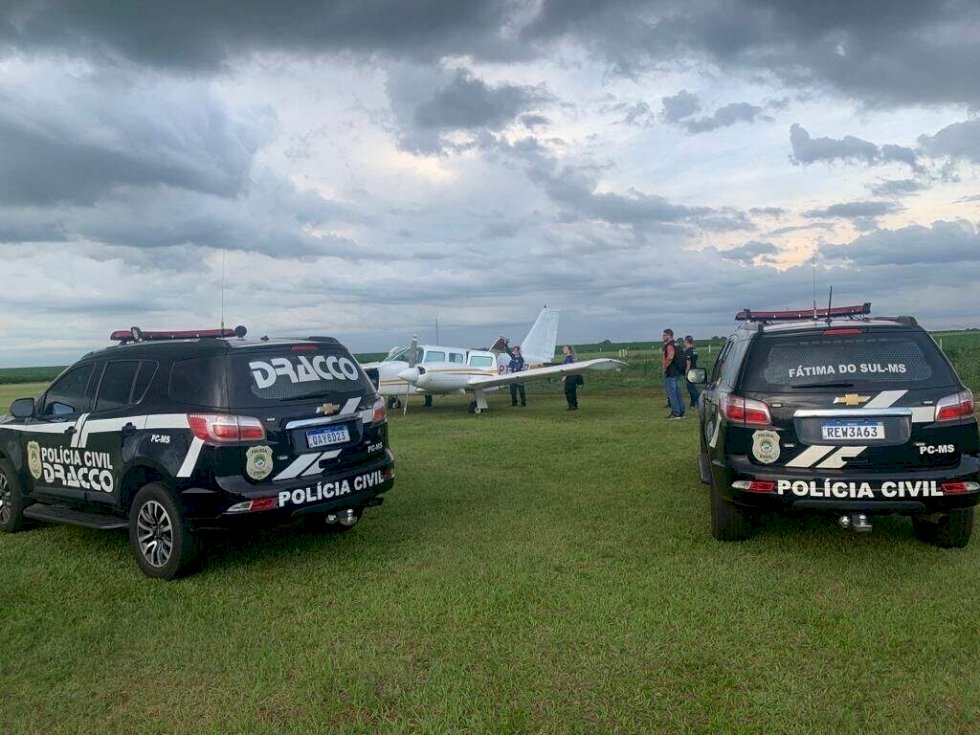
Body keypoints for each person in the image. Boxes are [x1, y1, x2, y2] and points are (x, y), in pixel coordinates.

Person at [662, 328, 685, 419]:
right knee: (678, 393)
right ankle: (681, 412)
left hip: (671, 372)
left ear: (669, 335)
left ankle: (675, 413)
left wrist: (664, 366)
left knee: (672, 394)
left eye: (664, 335)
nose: (663, 337)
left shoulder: (669, 345)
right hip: (677, 372)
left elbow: (670, 357)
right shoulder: (677, 344)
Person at [561, 344, 582, 410]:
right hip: (574, 377)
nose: (563, 349)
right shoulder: (572, 358)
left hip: (570, 377)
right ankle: (575, 405)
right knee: (573, 391)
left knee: (568, 391)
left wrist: (564, 377)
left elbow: (568, 368)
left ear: (569, 350)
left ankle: (571, 406)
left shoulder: (568, 358)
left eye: (564, 348)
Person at [683, 335, 700, 410]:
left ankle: (699, 401)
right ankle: (692, 403)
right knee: (692, 386)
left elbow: (688, 363)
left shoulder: (688, 351)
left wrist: (686, 373)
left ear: (686, 341)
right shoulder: (694, 350)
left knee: (691, 388)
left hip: (690, 371)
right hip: (695, 370)